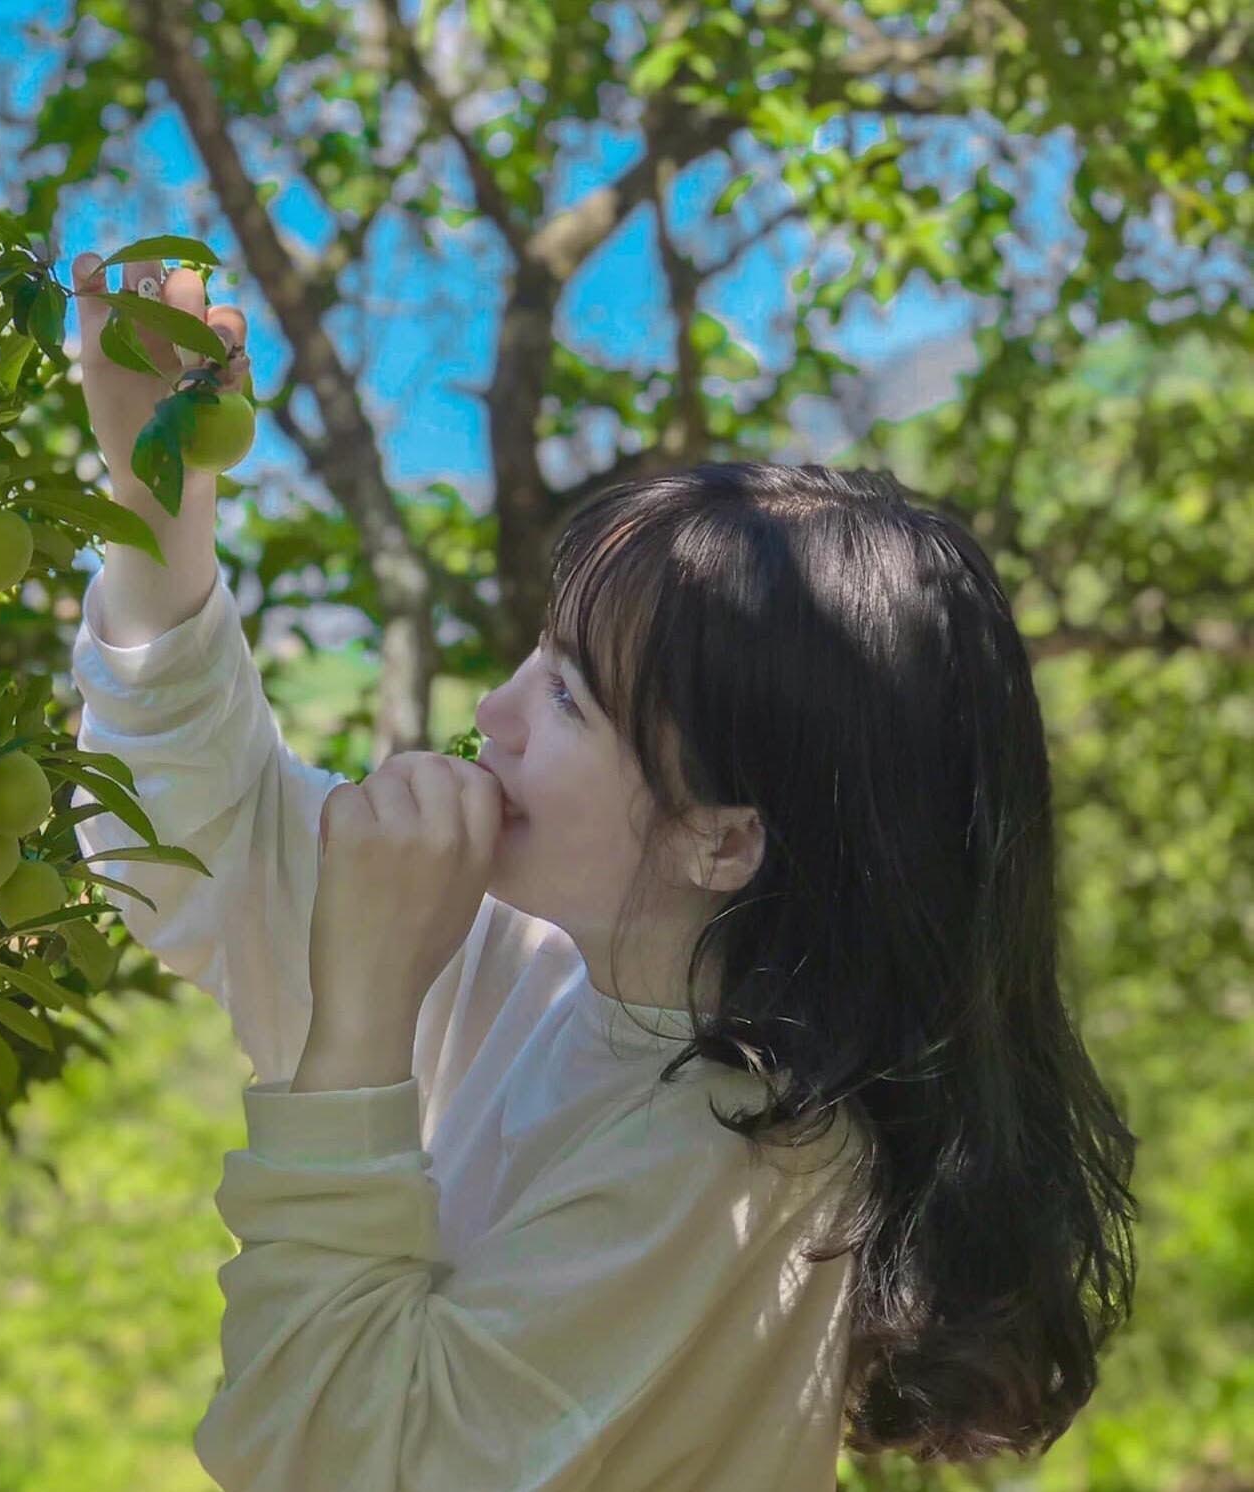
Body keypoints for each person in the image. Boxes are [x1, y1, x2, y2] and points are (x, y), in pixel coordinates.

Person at [63, 250, 1139, 1491]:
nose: (494, 712)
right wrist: (158, 494)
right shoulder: (548, 967)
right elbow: (200, 849)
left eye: (568, 699)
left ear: (723, 836)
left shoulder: (741, 1159)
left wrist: (361, 1018)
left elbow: (337, 1455)